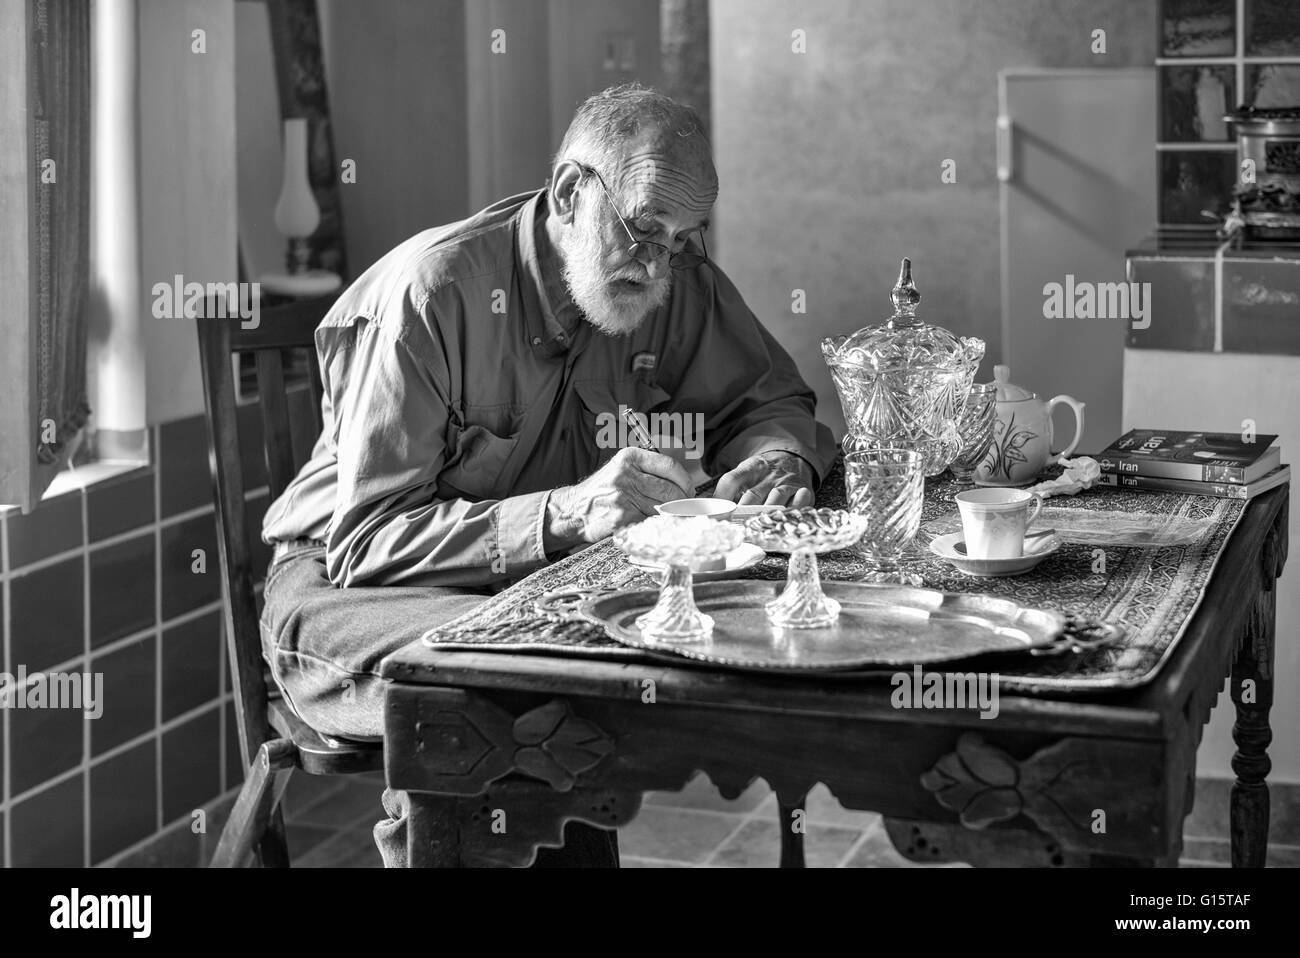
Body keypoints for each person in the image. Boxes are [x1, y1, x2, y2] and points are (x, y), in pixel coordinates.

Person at [260, 83, 837, 866]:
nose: (658, 261)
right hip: (344, 593)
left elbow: (770, 399)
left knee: (584, 657)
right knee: (502, 683)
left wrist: (778, 456)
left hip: (524, 597)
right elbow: (364, 542)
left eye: (681, 238)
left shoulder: (667, 281)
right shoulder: (434, 293)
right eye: (643, 228)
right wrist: (565, 513)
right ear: (570, 191)